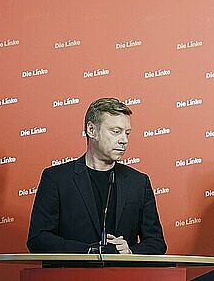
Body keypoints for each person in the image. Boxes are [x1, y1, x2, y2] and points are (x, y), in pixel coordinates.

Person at [27, 97, 166, 254]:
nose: (124, 140)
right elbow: (38, 239)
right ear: (92, 130)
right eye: (116, 132)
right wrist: (91, 251)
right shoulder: (56, 179)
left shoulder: (139, 182)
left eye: (127, 133)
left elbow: (156, 243)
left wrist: (130, 253)